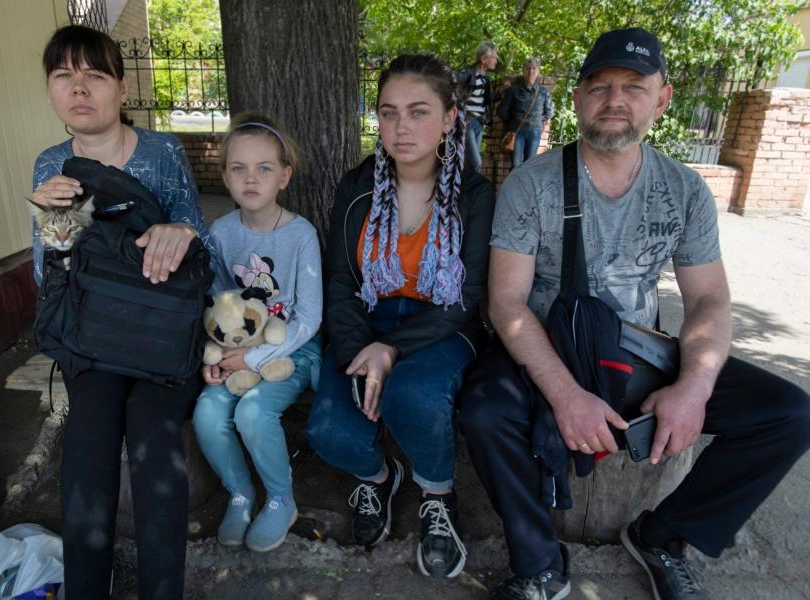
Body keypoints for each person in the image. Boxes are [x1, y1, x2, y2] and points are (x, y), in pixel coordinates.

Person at [460, 27, 810, 600]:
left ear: (662, 98)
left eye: (633, 86)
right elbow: (506, 303)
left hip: (635, 352)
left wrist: (693, 389)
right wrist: (565, 395)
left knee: (789, 414)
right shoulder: (532, 184)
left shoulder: (686, 189)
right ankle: (541, 563)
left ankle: (663, 536)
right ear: (576, 99)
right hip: (546, 347)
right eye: (598, 87)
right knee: (483, 410)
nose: (614, 100)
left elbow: (709, 301)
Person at [29, 25, 216, 599]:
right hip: (95, 338)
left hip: (163, 337)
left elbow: (205, 248)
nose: (78, 88)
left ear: (122, 86)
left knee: (153, 433)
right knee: (87, 432)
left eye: (94, 75)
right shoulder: (51, 165)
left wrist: (179, 230)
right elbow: (47, 275)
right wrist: (54, 231)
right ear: (51, 90)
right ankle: (87, 587)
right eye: (64, 76)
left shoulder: (161, 152)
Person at [306, 54, 494, 579]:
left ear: (450, 118)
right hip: (367, 320)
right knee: (328, 431)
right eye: (389, 113)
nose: (401, 127)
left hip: (442, 326)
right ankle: (379, 475)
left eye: (418, 111)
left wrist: (393, 351)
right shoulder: (358, 187)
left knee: (412, 395)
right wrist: (356, 351)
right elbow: (342, 281)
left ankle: (437, 493)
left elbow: (467, 297)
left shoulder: (474, 196)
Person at [192, 113, 323, 553]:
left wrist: (255, 360)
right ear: (225, 176)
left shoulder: (301, 235)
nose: (251, 178)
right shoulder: (221, 233)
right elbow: (215, 305)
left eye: (264, 168)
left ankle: (281, 500)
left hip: (293, 348)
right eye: (238, 168)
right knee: (208, 413)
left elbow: (308, 316)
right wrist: (214, 358)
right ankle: (241, 493)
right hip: (235, 352)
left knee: (252, 412)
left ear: (284, 176)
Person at [497, 57, 554, 168]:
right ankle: (513, 185)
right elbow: (502, 110)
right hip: (517, 132)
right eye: (528, 68)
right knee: (516, 164)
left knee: (530, 165)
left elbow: (550, 111)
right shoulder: (514, 90)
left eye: (534, 68)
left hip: (535, 132)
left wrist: (538, 120)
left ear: (538, 71)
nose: (531, 71)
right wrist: (512, 122)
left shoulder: (543, 92)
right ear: (523, 71)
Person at [456, 41, 503, 172]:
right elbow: (450, 90)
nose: (496, 60)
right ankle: (475, 190)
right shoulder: (466, 74)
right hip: (468, 122)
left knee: (469, 162)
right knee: (477, 162)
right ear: (483, 59)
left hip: (479, 123)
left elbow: (485, 100)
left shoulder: (485, 79)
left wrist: (502, 91)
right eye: (493, 57)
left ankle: (462, 189)